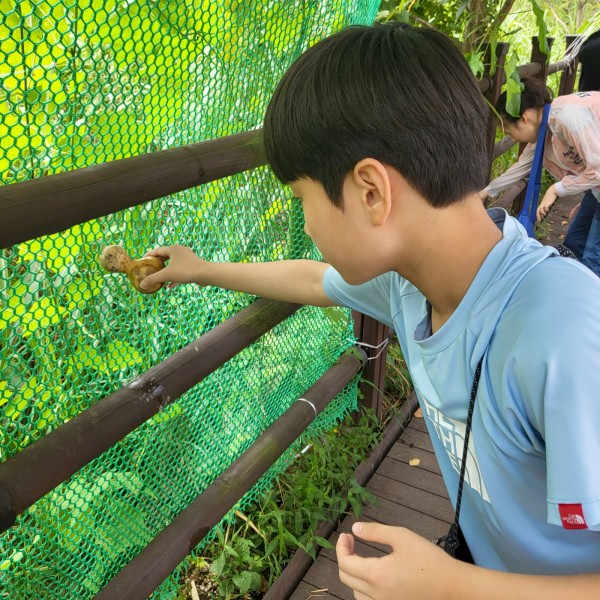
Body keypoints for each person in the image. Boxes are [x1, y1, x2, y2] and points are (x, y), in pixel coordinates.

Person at [140, 23, 600, 600]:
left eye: (302, 199)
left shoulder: (565, 333)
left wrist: (453, 586)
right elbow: (312, 279)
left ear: (372, 192)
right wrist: (201, 267)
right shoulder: (408, 285)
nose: (306, 225)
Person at [481, 78, 600, 276]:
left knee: (593, 258)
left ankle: (585, 302)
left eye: (509, 131)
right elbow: (522, 166)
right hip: (596, 189)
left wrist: (556, 189)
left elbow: (597, 169)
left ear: (524, 118)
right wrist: (485, 193)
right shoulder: (547, 126)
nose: (512, 137)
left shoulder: (567, 118)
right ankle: (568, 288)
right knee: (573, 243)